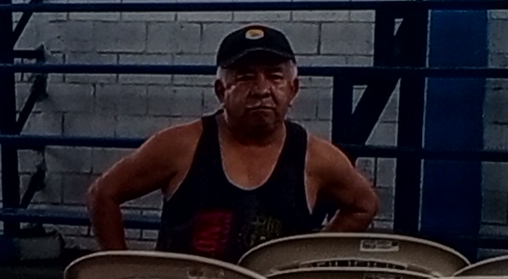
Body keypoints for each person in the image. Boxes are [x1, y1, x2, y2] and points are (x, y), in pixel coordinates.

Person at [86, 22, 382, 259]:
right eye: (245, 77)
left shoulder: (316, 157)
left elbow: (363, 205)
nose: (261, 89)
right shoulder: (181, 146)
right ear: (221, 90)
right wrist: (119, 272)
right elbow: (104, 193)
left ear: (293, 89)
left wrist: (309, 262)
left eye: (275, 77)